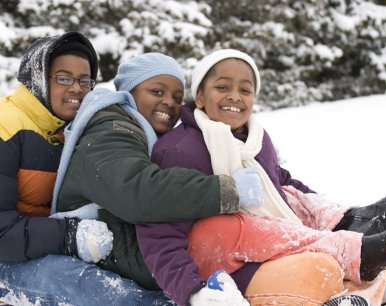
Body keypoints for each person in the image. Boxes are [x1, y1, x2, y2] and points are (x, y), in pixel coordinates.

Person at [136, 49, 386, 306]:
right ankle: (353, 255)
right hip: (218, 261)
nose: (235, 96)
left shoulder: (254, 138)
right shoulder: (180, 150)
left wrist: (324, 212)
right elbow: (159, 234)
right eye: (222, 87)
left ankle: (353, 221)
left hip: (263, 247)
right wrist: (192, 292)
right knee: (230, 224)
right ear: (200, 97)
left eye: (245, 90)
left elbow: (280, 182)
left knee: (290, 194)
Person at [49, 52, 264, 305]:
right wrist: (229, 191)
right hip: (94, 254)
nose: (170, 103)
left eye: (176, 97)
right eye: (157, 91)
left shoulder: (147, 135)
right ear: (130, 92)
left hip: (125, 252)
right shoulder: (111, 129)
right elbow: (138, 192)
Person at [0, 33, 181, 306]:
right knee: (96, 290)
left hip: (41, 246)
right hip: (8, 258)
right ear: (37, 77)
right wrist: (69, 235)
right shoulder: (7, 128)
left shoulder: (73, 129)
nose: (76, 88)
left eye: (85, 81)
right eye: (63, 78)